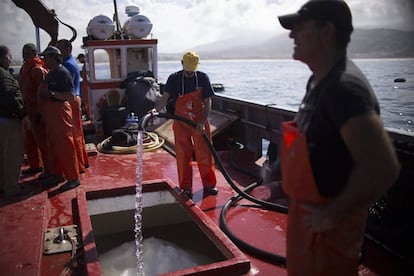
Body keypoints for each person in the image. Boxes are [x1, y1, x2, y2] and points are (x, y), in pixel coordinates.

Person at [277, 1, 400, 275]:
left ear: (326, 32)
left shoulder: (344, 88)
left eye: (299, 27)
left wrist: (331, 215)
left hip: (326, 233)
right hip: (306, 217)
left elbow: (382, 166)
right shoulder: (319, 81)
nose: (291, 35)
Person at [154, 51, 217, 199]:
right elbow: (164, 98)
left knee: (205, 154)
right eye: (187, 70)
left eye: (192, 70)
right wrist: (155, 110)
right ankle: (186, 187)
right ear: (182, 64)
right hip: (181, 121)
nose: (189, 73)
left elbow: (208, 102)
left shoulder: (203, 78)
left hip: (199, 121)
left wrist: (202, 122)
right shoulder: (174, 78)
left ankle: (209, 185)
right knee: (183, 155)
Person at [38, 46, 81, 192]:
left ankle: (73, 178)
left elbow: (70, 96)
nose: (44, 60)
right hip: (51, 114)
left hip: (60, 112)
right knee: (54, 145)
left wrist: (52, 94)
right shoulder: (52, 73)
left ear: (53, 57)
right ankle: (57, 174)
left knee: (65, 145)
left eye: (46, 57)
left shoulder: (62, 73)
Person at [0, 45, 32, 198]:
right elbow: (10, 97)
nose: (10, 60)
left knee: (3, 155)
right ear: (3, 58)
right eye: (9, 57)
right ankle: (12, 189)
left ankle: (3, 185)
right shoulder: (4, 76)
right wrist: (23, 114)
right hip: (9, 121)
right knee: (13, 155)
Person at [56, 40, 89, 174]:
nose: (58, 52)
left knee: (72, 135)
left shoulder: (67, 65)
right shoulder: (71, 63)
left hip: (71, 101)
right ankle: (83, 162)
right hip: (75, 99)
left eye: (60, 49)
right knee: (77, 134)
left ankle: (78, 166)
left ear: (68, 49)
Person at [18, 43, 49, 176]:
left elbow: (43, 93)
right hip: (27, 112)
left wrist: (40, 112)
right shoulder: (24, 68)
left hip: (36, 112)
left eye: (27, 53)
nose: (24, 55)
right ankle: (35, 165)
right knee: (29, 142)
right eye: (23, 53)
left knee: (42, 141)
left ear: (34, 53)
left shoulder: (38, 70)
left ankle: (49, 168)